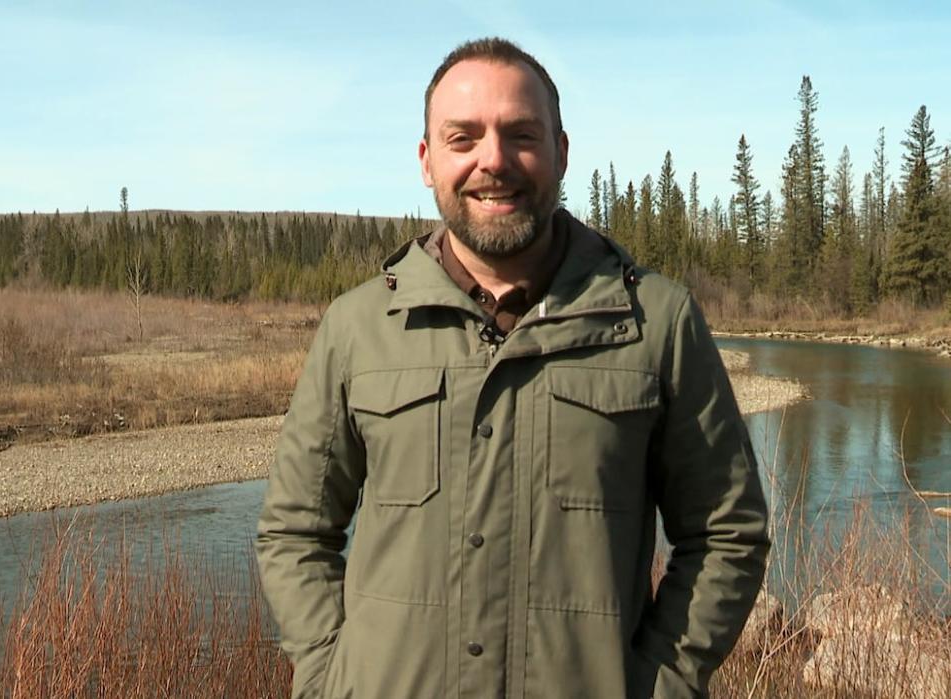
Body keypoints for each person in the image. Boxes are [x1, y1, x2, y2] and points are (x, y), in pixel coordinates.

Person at [255, 37, 769, 699]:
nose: (492, 160)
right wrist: (334, 677)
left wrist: (660, 683)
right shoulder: (358, 327)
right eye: (462, 137)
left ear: (561, 150)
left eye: (520, 134)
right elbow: (294, 529)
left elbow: (728, 531)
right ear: (427, 160)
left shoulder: (656, 322)